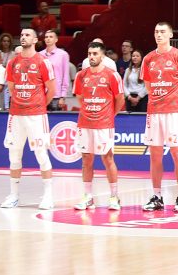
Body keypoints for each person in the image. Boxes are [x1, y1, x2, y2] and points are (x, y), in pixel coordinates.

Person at [140, 22, 178, 212]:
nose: (159, 35)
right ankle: (157, 196)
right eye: (156, 32)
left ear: (171, 34)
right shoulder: (148, 58)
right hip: (154, 112)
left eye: (163, 32)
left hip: (173, 112)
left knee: (176, 151)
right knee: (155, 154)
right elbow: (148, 86)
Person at [0, 29, 56, 210]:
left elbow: (51, 90)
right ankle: (14, 195)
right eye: (21, 34)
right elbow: (11, 88)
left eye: (27, 35)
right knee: (14, 155)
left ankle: (48, 196)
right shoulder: (13, 62)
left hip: (36, 115)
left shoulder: (42, 62)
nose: (23, 37)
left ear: (35, 39)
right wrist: (20, 104)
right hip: (16, 115)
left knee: (41, 154)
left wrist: (38, 106)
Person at [72, 41, 124, 211]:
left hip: (104, 124)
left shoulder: (112, 75)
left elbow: (120, 100)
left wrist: (109, 115)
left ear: (102, 56)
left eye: (95, 54)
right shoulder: (81, 75)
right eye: (89, 54)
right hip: (85, 123)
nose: (92, 57)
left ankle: (114, 196)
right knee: (86, 159)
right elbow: (80, 98)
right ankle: (88, 197)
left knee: (107, 158)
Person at [39, 30, 70, 111]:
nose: (48, 39)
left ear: (56, 39)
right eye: (46, 37)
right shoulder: (39, 55)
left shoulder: (63, 55)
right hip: (41, 95)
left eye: (51, 37)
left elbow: (65, 76)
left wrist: (63, 96)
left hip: (56, 96)